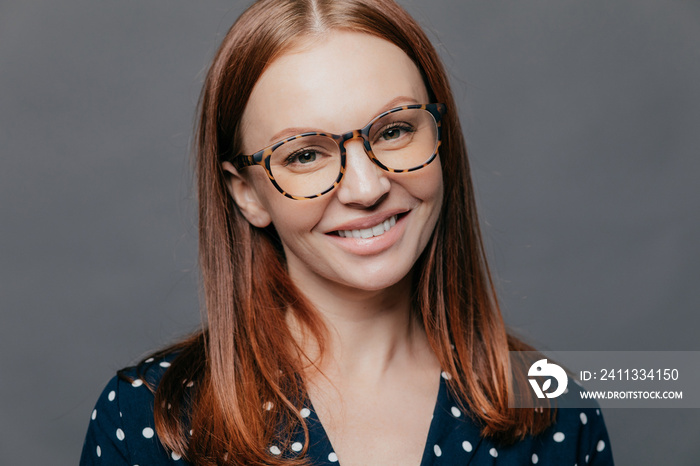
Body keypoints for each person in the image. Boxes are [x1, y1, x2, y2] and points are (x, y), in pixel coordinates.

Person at [80, 0, 614, 464]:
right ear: (246, 192)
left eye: (395, 129)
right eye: (305, 154)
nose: (365, 187)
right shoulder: (148, 418)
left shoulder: (555, 405)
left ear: (440, 136)